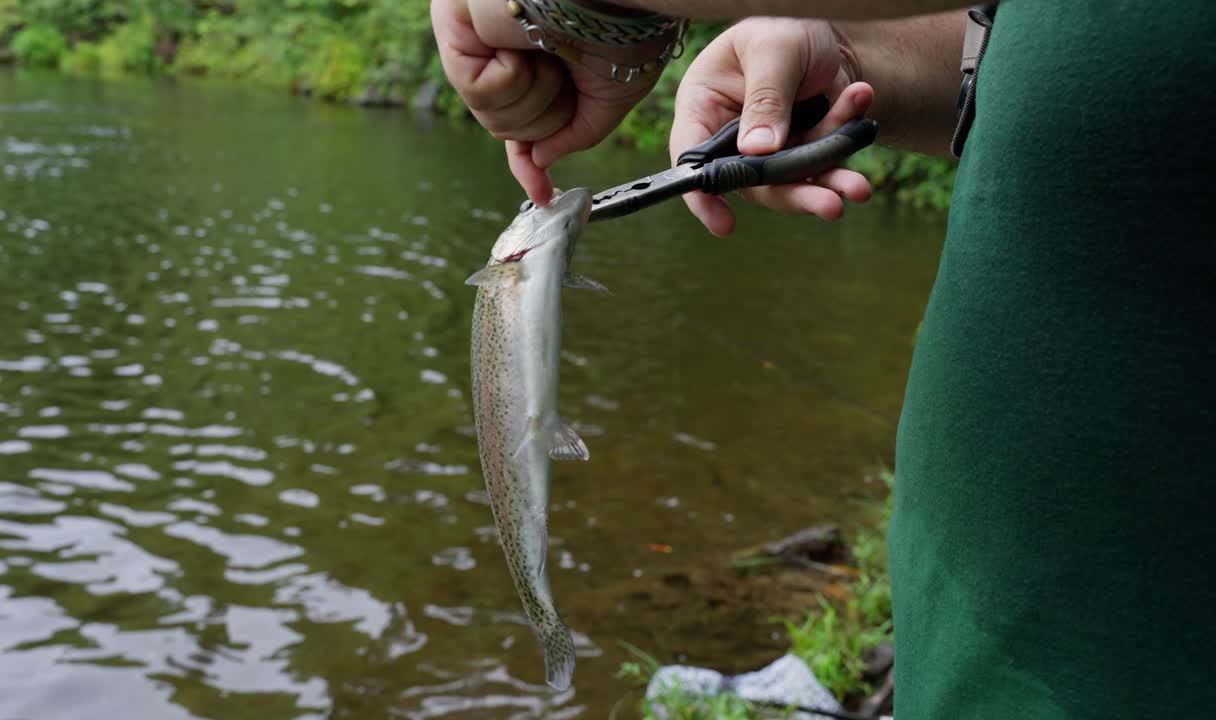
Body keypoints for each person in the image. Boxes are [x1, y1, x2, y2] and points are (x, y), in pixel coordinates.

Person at [432, 1, 1216, 717]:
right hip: (972, 628)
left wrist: (578, 8)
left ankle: (545, 618)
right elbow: (1090, 58)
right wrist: (841, 54)